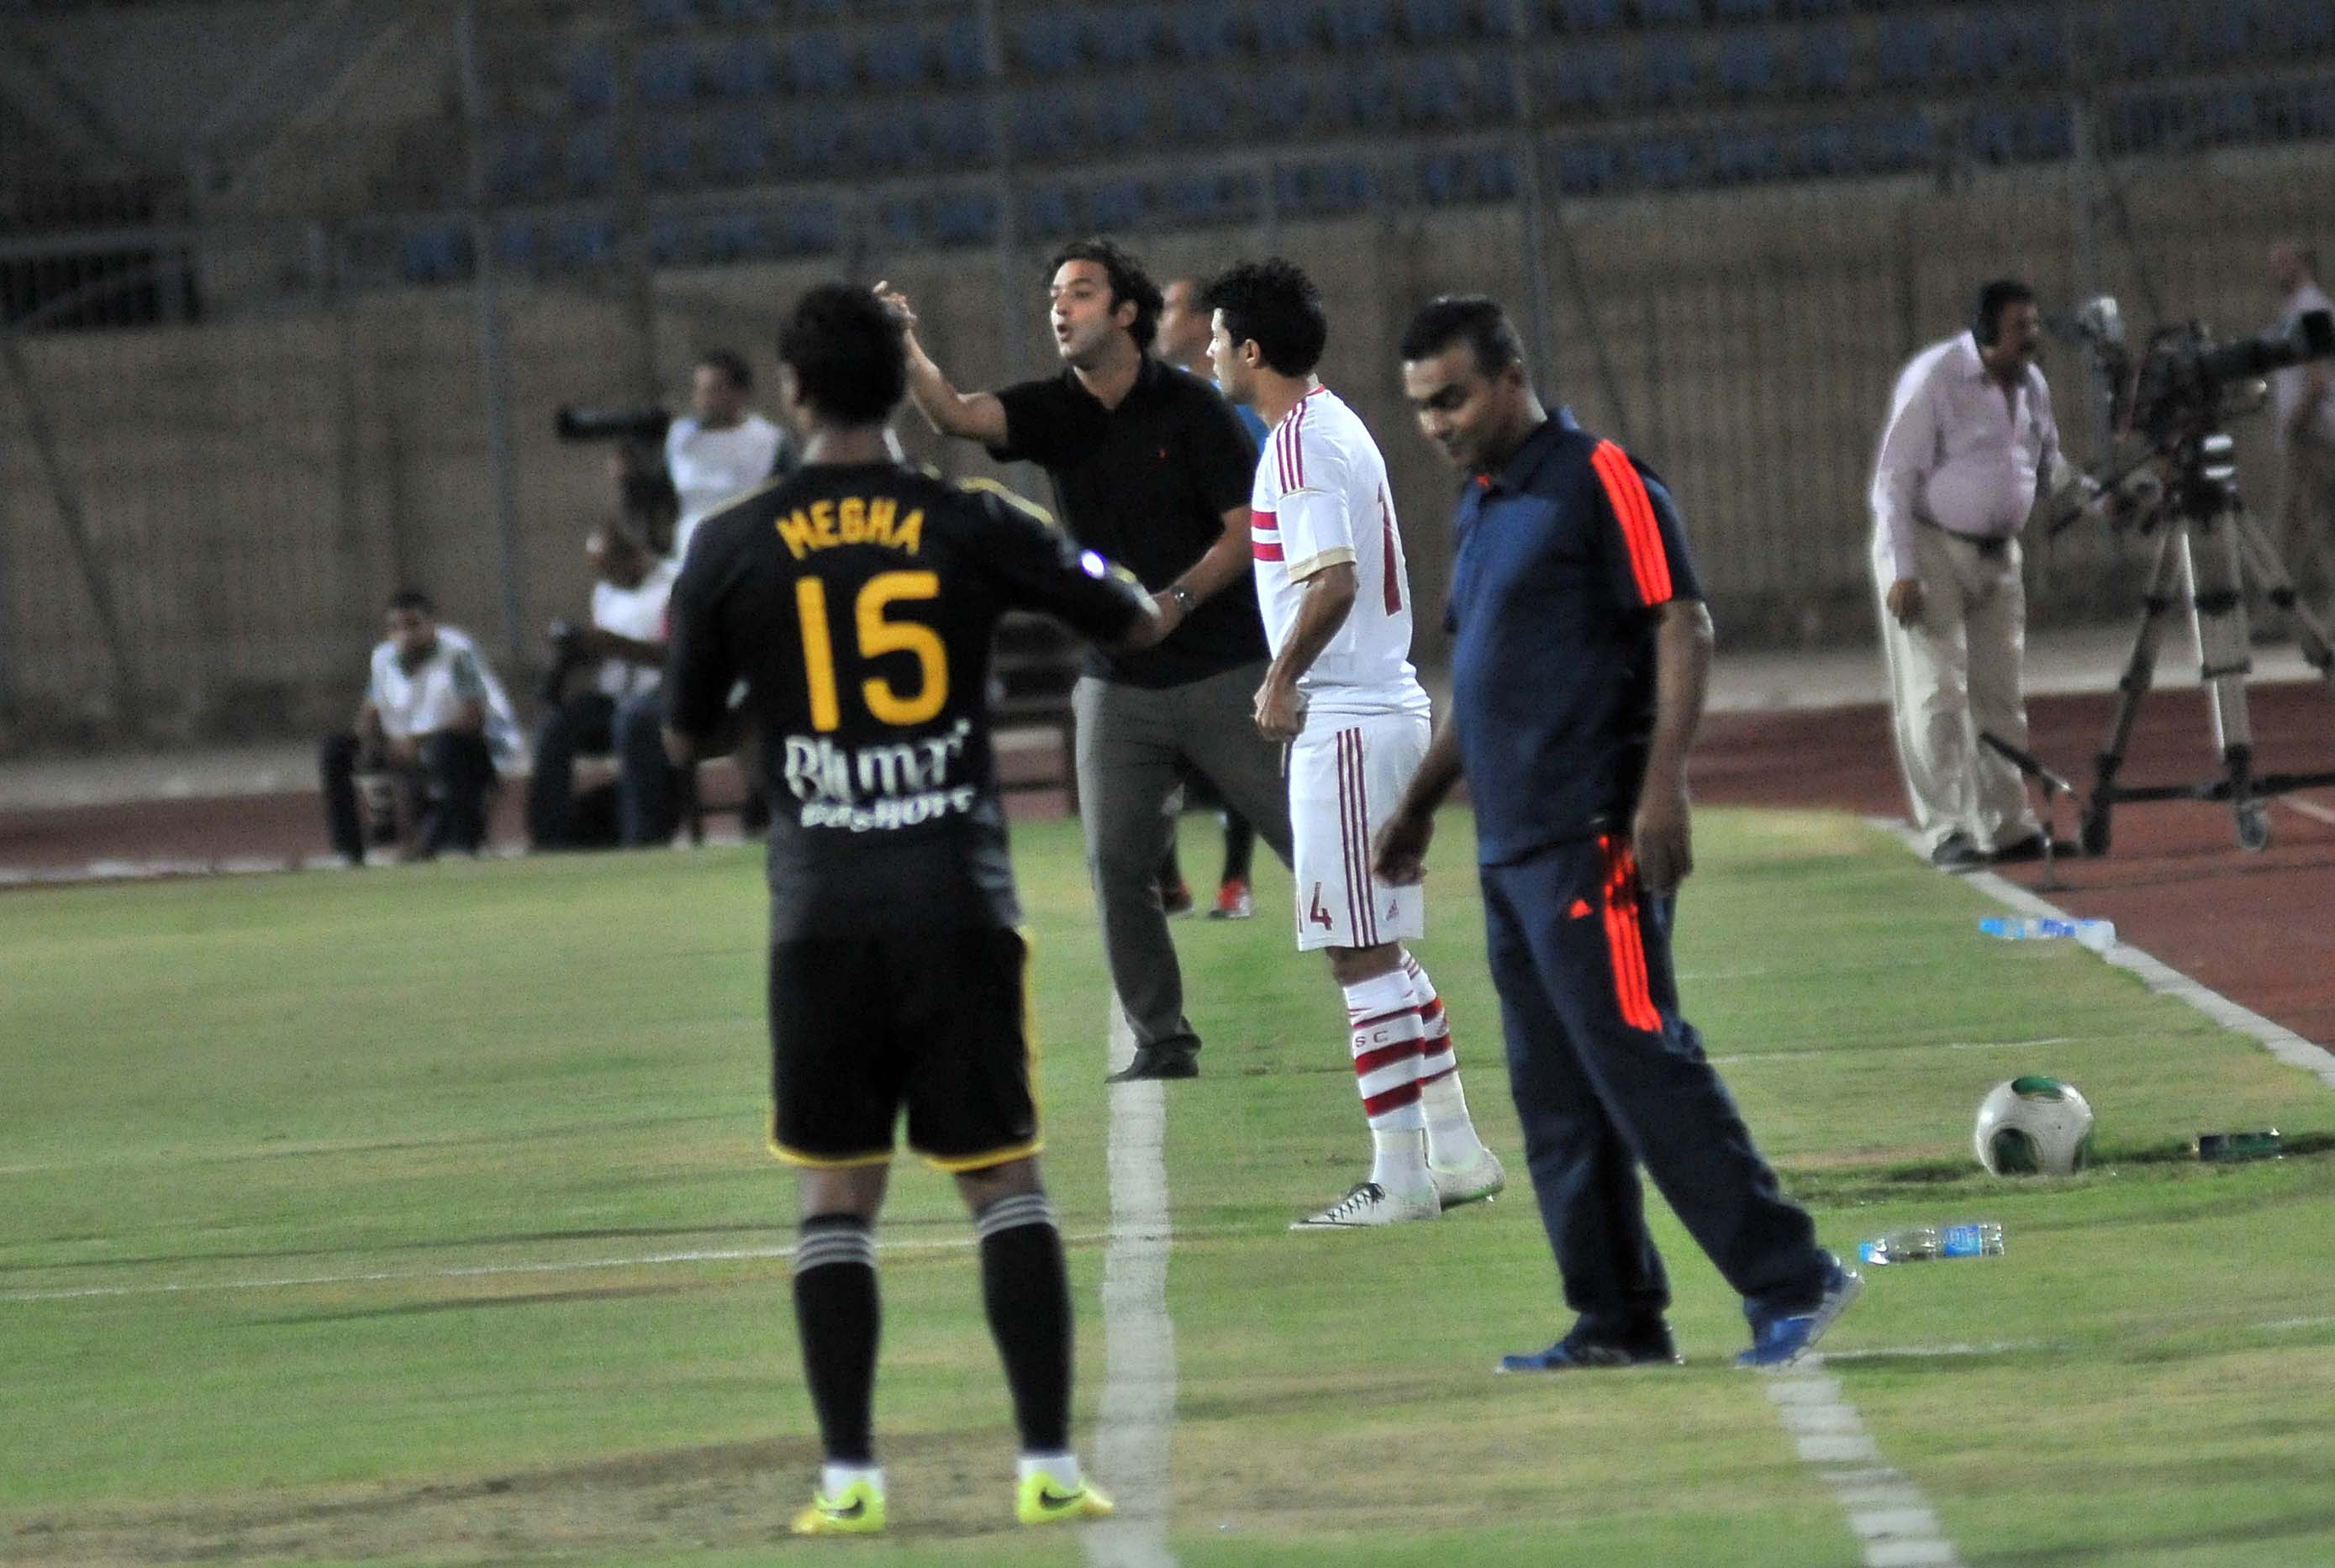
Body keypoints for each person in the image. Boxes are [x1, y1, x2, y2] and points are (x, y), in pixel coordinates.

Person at [661, 283, 1157, 1534]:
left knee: (836, 1197)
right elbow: (1125, 608)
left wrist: (779, 708)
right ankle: (1047, 1466)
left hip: (820, 912)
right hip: (954, 901)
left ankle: (850, 1483)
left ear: (790, 391)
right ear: (898, 387)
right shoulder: (967, 519)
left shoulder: (730, 542)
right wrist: (1088, 565)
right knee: (1005, 1180)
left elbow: (682, 732)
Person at [1377, 295, 1858, 1370]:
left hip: (1594, 834)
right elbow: (1483, 682)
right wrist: (1417, 806)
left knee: (1642, 1061)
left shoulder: (1601, 478)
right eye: (1422, 407)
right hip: (1510, 850)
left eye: (1453, 398)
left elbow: (1682, 620)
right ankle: (1617, 1318)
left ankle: (1794, 1277)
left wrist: (1662, 787)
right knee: (1553, 1095)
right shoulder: (1482, 506)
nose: (1438, 424)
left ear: (1512, 378)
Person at [877, 238, 1295, 1081]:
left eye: (1080, 293)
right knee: (1115, 863)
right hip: (1119, 680)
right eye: (1054, 298)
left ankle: (1383, 989)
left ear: (1127, 311)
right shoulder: (1055, 410)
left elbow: (1246, 528)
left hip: (1224, 668)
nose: (1060, 310)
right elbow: (955, 415)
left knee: (1309, 841)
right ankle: (1162, 1038)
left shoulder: (1192, 406)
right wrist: (905, 343)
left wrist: (1173, 602)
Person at [1201, 258, 1505, 1228]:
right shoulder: (1332, 424)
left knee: (1357, 954)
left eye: (1218, 338)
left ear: (1252, 351)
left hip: (1348, 719)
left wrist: (1280, 677)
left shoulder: (1296, 444)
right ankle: (1455, 1151)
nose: (1209, 353)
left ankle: (1398, 1178)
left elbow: (1332, 582)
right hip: (1378, 707)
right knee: (1379, 948)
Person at [1869, 278, 2069, 872]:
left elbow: (2047, 461)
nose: (2032, 338)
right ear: (1985, 331)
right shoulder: (1934, 378)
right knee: (1935, 693)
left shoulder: (2031, 384)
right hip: (1930, 546)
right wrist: (1902, 569)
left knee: (1999, 697)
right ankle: (1948, 829)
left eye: (2033, 325)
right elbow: (1894, 479)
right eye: (2019, 327)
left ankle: (2005, 824)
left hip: (1999, 557)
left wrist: (2098, 496)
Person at [1154, 275, 1264, 920]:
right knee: (1157, 741)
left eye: (1171, 308)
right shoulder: (1155, 399)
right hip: (1171, 594)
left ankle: (1235, 881)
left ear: (1201, 323)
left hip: (1232, 599)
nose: (1161, 319)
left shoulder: (1238, 405)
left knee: (1234, 744)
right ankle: (1168, 879)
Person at [320, 588, 524, 864]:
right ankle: (348, 850)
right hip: (405, 743)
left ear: (431, 623)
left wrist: (417, 741)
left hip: (468, 746)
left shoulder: (457, 653)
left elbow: (473, 716)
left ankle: (460, 842)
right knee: (335, 749)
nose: (405, 635)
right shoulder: (383, 658)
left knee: (446, 748)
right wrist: (369, 741)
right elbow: (370, 711)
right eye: (396, 628)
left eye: (413, 625)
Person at [526, 524, 678, 850]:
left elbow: (676, 655)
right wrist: (578, 645)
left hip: (662, 697)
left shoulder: (671, 587)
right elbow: (602, 647)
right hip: (615, 697)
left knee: (632, 722)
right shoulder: (606, 592)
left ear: (634, 558)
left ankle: (641, 837)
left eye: (609, 568)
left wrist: (615, 645)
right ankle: (550, 838)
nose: (604, 577)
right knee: (554, 728)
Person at [667, 348, 796, 566]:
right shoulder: (679, 439)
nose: (703, 399)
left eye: (713, 390)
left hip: (748, 556)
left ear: (739, 393)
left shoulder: (769, 442)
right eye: (700, 389)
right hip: (691, 555)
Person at [2267, 241, 2335, 612]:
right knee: (2292, 529)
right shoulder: (2296, 310)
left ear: (2303, 264)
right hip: (2305, 435)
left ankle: (2279, 614)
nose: (2275, 270)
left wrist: (2296, 423)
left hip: (2312, 435)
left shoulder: (2311, 311)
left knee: (2317, 528)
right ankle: (2279, 613)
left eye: (2283, 261)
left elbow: (2318, 380)